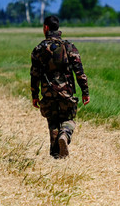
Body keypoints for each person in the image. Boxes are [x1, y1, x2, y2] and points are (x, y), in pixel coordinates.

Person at [30, 15, 90, 159]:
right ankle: (65, 135)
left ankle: (56, 155)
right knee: (68, 119)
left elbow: (34, 75)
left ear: (45, 28)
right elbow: (79, 72)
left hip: (47, 92)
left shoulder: (38, 49)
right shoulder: (69, 47)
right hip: (66, 92)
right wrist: (85, 91)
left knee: (53, 122)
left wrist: (34, 96)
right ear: (58, 28)